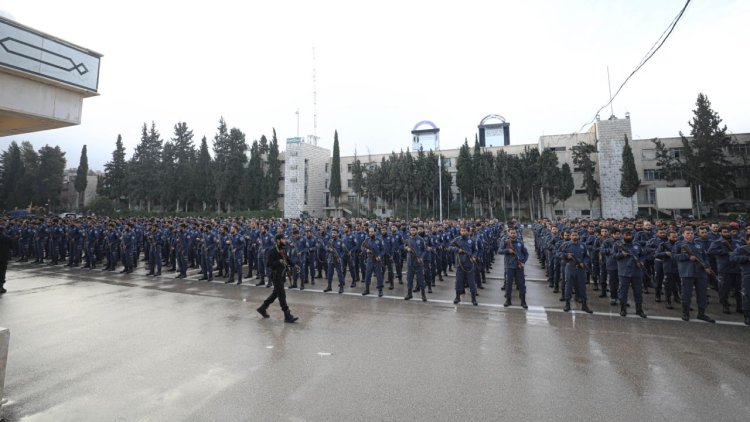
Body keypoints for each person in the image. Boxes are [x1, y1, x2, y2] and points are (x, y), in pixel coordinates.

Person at [257, 233, 298, 323]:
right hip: (276, 276)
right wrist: (278, 261)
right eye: (283, 239)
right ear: (278, 240)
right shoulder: (273, 250)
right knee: (282, 295)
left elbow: (287, 259)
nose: (285, 241)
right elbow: (268, 264)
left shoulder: (283, 249)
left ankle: (262, 308)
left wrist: (294, 265)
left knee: (276, 294)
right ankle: (287, 315)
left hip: (282, 275)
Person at [1, 226, 12, 294]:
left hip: (3, 258)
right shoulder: (7, 238)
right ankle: (1, 287)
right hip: (3, 258)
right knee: (2, 272)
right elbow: (11, 247)